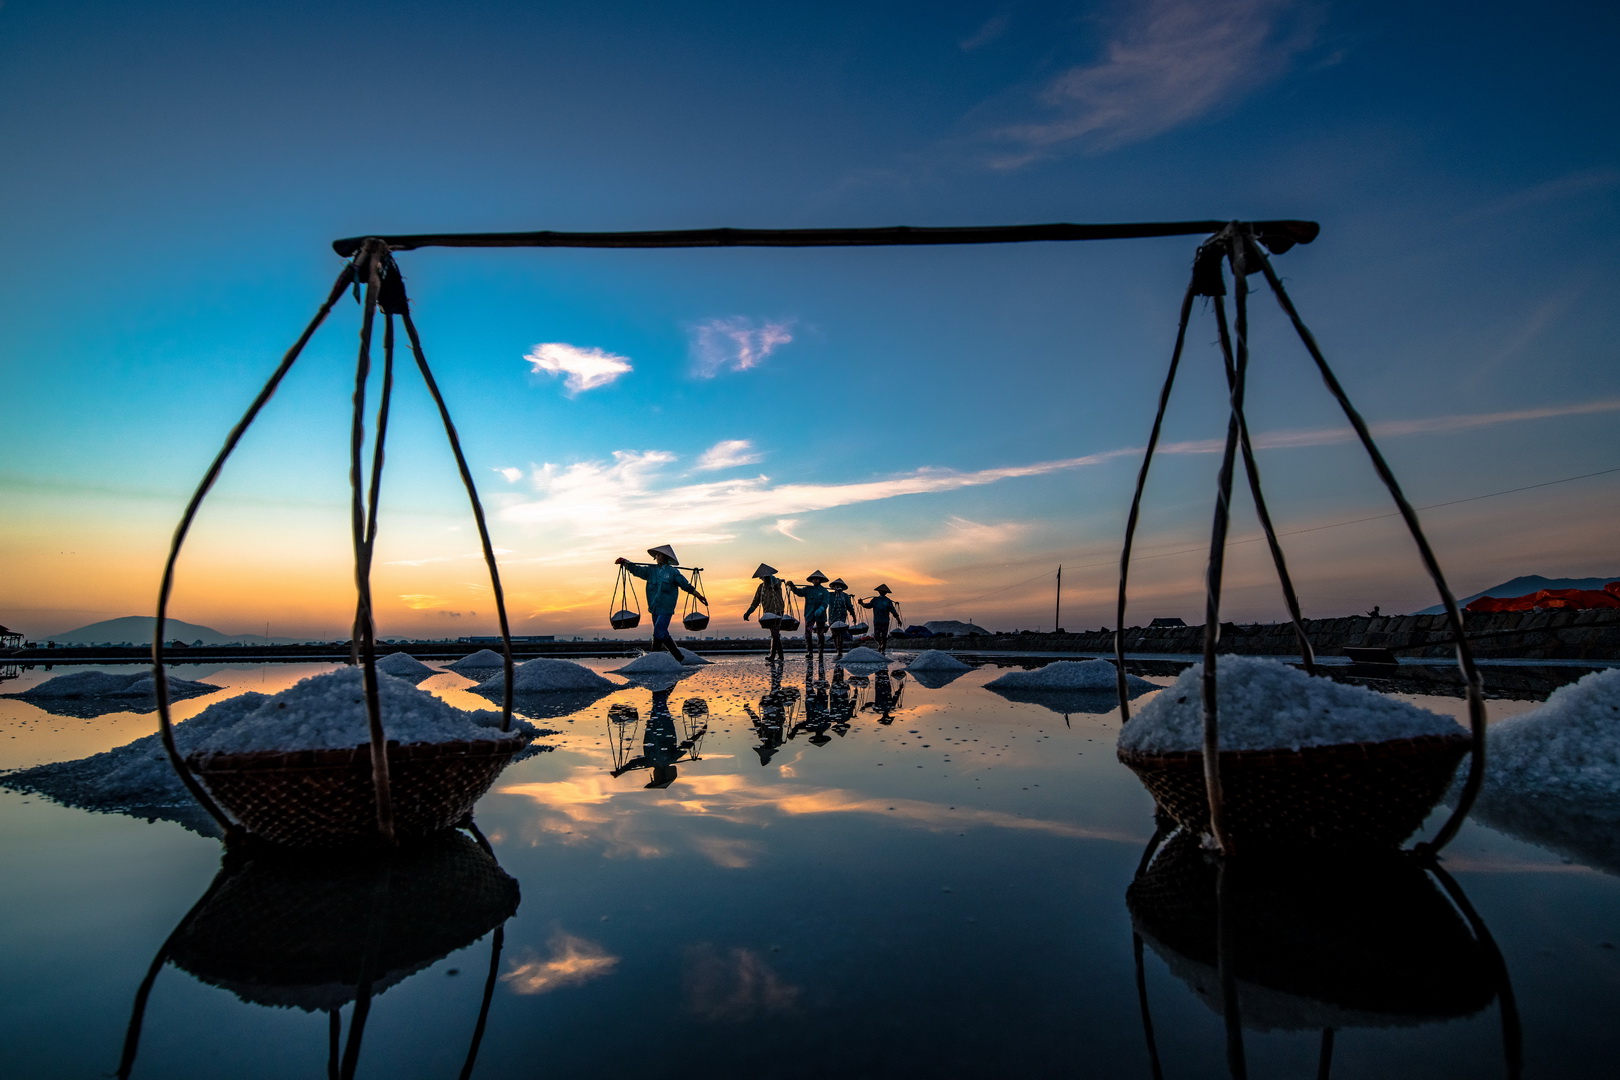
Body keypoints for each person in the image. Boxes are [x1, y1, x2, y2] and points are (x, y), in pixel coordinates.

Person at [615, 544, 706, 662]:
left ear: (665, 557)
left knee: (658, 631)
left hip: (666, 608)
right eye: (656, 555)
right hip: (654, 608)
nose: (656, 557)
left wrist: (699, 596)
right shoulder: (650, 571)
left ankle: (653, 659)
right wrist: (626, 563)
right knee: (662, 633)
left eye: (658, 555)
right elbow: (637, 570)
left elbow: (685, 585)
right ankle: (679, 658)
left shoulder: (673, 572)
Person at [743, 562, 788, 660]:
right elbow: (755, 601)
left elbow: (776, 582)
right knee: (775, 633)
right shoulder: (761, 587)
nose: (762, 579)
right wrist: (748, 612)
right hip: (768, 613)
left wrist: (770, 578)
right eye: (761, 578)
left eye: (763, 577)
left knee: (775, 632)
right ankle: (780, 656)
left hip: (777, 611)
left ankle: (773, 655)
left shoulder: (776, 583)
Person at [787, 570, 832, 654]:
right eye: (814, 579)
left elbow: (825, 602)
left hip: (820, 615)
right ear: (812, 580)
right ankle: (809, 652)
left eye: (817, 579)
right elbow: (799, 592)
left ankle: (820, 651)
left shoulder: (824, 591)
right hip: (809, 614)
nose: (815, 580)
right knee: (808, 633)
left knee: (820, 634)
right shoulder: (808, 589)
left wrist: (821, 609)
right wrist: (792, 586)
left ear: (820, 580)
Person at [859, 584, 903, 653]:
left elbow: (893, 611)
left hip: (885, 621)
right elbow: (868, 606)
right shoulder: (875, 600)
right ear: (879, 591)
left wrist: (898, 620)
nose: (882, 592)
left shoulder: (888, 601)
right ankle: (880, 644)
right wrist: (861, 603)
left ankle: (883, 649)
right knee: (876, 636)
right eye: (881, 591)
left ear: (885, 593)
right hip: (877, 621)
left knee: (884, 636)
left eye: (884, 591)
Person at [826, 578, 857, 655]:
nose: (838, 586)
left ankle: (839, 650)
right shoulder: (830, 595)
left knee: (840, 634)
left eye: (839, 585)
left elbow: (849, 606)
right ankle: (837, 648)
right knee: (835, 634)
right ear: (833, 587)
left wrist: (854, 616)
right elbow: (823, 599)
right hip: (832, 617)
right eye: (836, 585)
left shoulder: (845, 596)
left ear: (842, 587)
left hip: (842, 617)